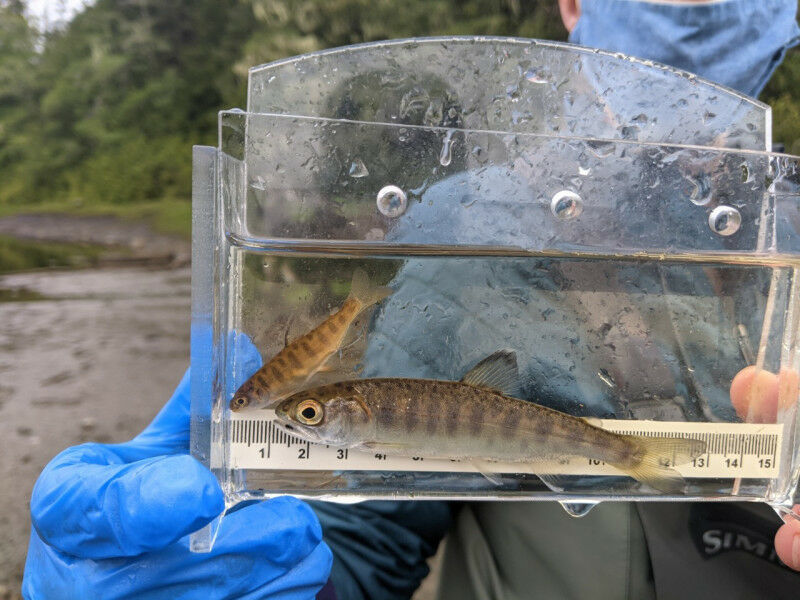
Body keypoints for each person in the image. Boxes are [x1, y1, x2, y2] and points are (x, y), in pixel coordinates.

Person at [22, 1, 800, 598]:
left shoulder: (784, 235)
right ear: (572, 2)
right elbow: (362, 540)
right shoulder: (471, 227)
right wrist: (246, 573)